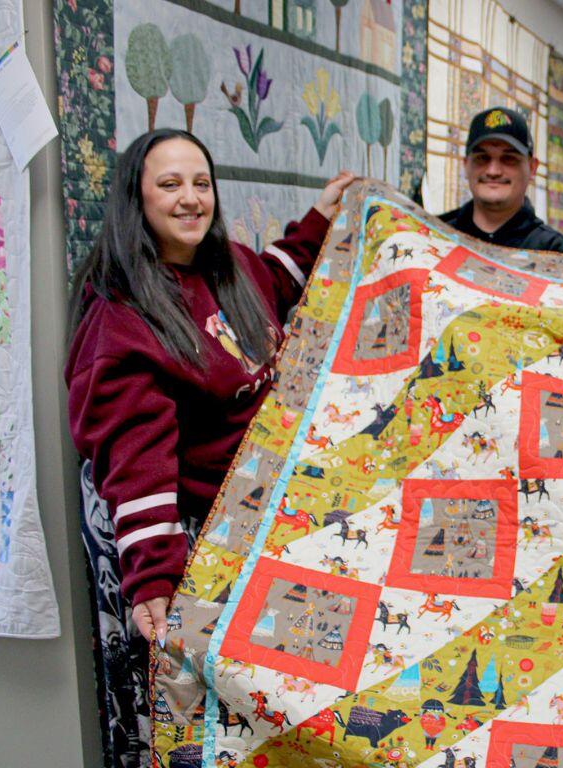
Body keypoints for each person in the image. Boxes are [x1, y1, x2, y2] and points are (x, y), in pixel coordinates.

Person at [66, 128, 357, 646]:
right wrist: (155, 574)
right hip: (214, 532)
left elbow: (274, 280)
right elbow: (136, 456)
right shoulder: (123, 318)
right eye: (171, 184)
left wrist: (321, 218)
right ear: (137, 198)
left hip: (275, 505)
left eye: (201, 184)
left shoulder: (230, 266)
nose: (190, 198)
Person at [438, 106, 563, 259]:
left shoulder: (561, 256)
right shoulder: (434, 237)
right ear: (466, 165)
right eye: (482, 158)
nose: (493, 171)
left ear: (532, 168)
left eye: (509, 159)